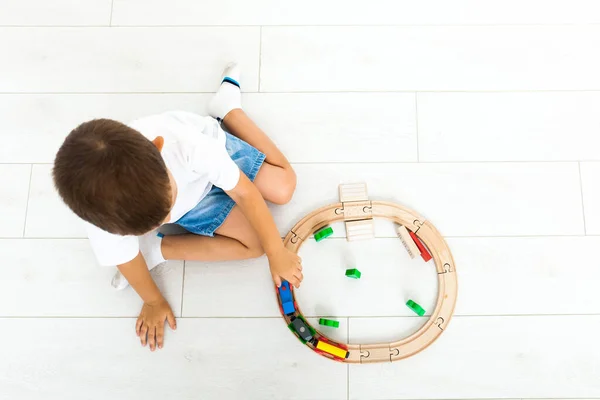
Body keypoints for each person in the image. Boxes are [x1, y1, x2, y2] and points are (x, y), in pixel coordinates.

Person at [52, 63, 303, 351]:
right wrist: (153, 301)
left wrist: (277, 252)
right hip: (197, 205)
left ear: (158, 148)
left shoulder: (188, 145)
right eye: (156, 223)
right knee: (256, 244)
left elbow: (245, 193)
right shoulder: (100, 219)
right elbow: (124, 258)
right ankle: (156, 249)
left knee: (284, 188)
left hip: (215, 158)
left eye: (167, 207)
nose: (168, 218)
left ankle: (228, 110)